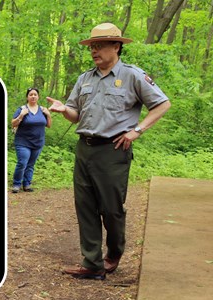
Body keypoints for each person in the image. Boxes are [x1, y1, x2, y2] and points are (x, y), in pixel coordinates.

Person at [46, 23, 171, 279]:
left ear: (116, 46)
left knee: (111, 208)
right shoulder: (84, 78)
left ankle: (113, 254)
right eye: (92, 46)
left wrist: (138, 130)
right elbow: (76, 115)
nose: (94, 50)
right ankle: (92, 263)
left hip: (113, 150)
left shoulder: (132, 75)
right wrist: (62, 109)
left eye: (100, 45)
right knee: (85, 206)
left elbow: (162, 104)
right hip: (85, 149)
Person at [10, 87, 52, 193]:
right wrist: (21, 115)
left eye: (35, 94)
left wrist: (48, 115)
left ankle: (27, 184)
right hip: (23, 142)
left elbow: (49, 125)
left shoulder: (42, 110)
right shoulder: (22, 109)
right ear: (27, 97)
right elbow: (13, 123)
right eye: (31, 94)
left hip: (38, 142)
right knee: (22, 162)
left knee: (31, 164)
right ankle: (16, 184)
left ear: (38, 97)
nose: (33, 96)